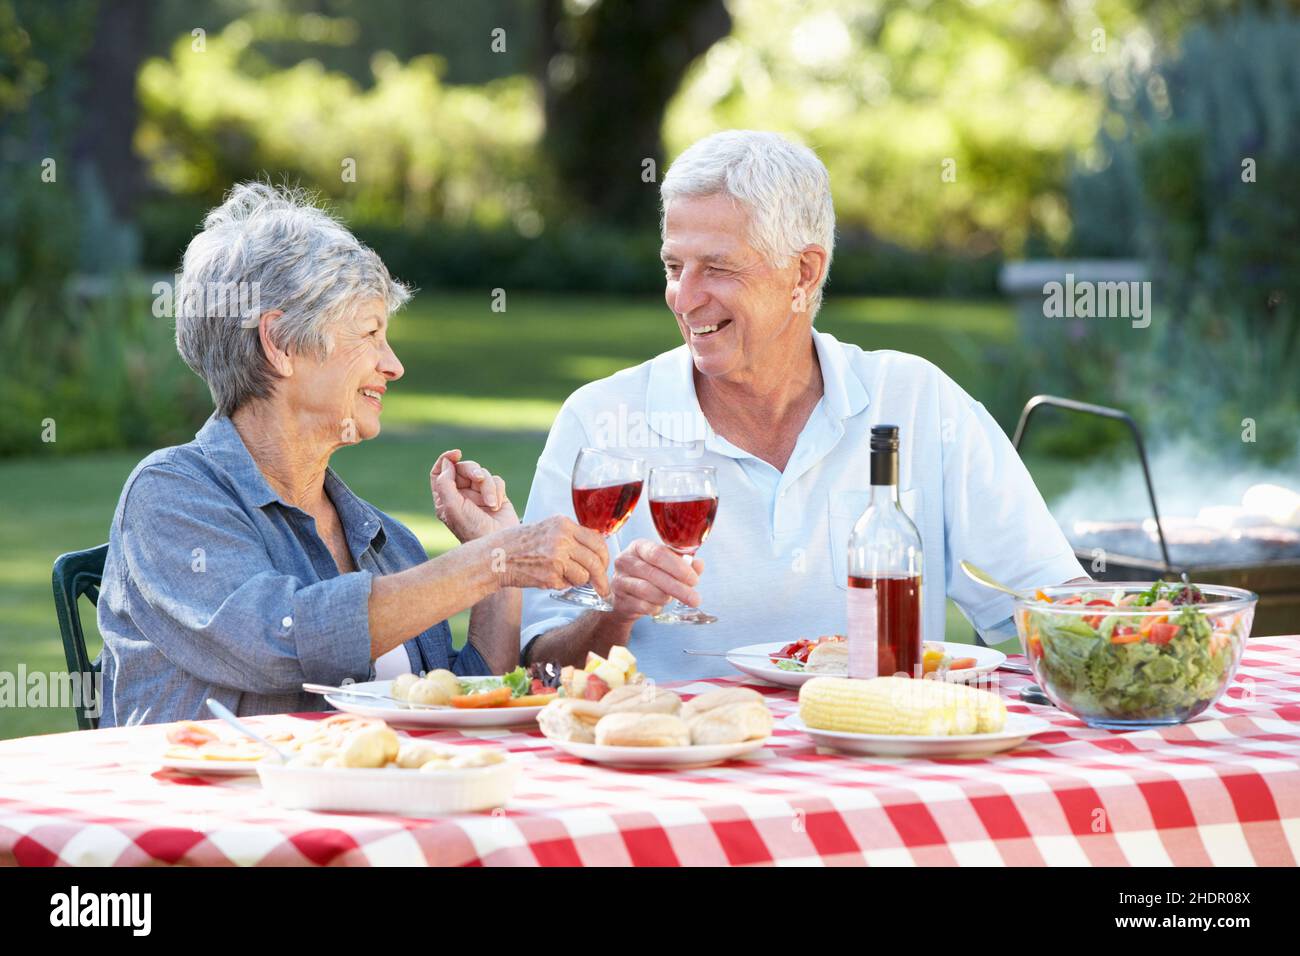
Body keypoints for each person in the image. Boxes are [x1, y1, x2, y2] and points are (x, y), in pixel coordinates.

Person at [519, 130, 1085, 678]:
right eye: (673, 266)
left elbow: (1056, 600)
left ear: (804, 272)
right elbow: (538, 666)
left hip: (880, 755)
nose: (684, 297)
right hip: (682, 762)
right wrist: (616, 612)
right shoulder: (599, 421)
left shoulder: (916, 401)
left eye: (716, 268)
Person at [97, 183, 609, 726]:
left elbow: (453, 700)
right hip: (220, 805)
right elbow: (283, 641)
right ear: (281, 344)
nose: (393, 365)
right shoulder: (170, 497)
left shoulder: (382, 540)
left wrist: (497, 563)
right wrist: (492, 561)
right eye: (370, 333)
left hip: (375, 804)